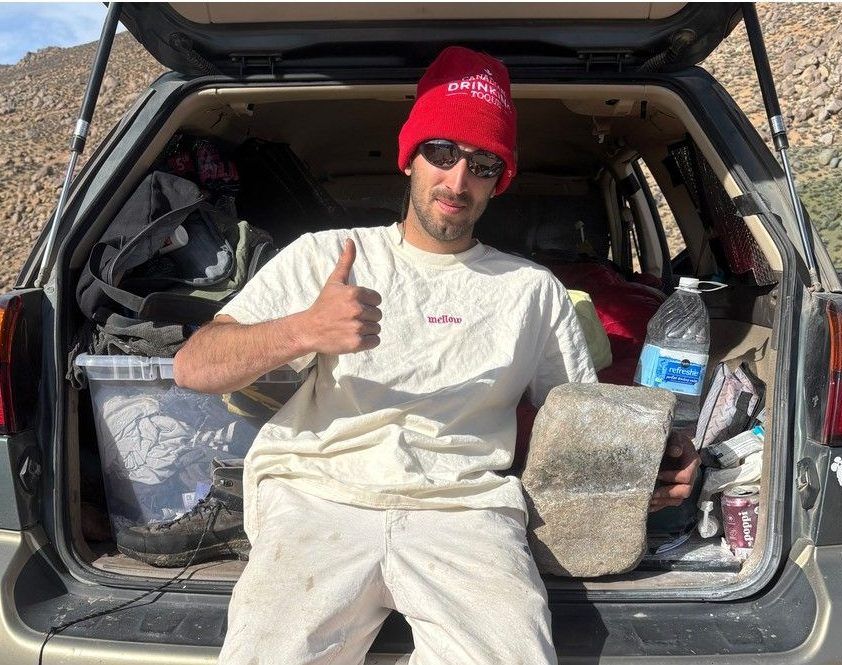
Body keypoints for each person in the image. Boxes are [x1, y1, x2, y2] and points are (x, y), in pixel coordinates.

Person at [174, 46, 698, 665]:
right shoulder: (328, 256)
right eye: (442, 153)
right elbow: (194, 367)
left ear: (498, 179)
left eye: (481, 164)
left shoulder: (532, 291)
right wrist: (304, 330)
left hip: (465, 510)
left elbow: (577, 426)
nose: (457, 180)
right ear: (410, 159)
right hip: (317, 497)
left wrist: (650, 465)